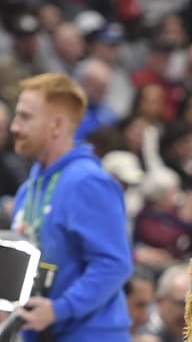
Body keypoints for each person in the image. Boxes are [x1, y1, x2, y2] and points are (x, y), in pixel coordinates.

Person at [9, 72, 133, 341]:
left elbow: (114, 264)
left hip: (90, 334)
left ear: (56, 125)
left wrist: (59, 309)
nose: (14, 127)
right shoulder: (26, 190)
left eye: (25, 117)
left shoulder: (88, 182)